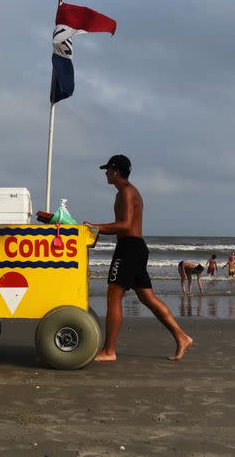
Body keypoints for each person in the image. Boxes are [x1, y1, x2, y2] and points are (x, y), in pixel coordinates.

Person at [85, 154, 193, 362]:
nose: (105, 173)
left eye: (107, 170)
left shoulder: (126, 192)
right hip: (135, 248)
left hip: (129, 248)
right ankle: (182, 337)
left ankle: (109, 351)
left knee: (113, 296)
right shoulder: (129, 191)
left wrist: (95, 227)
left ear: (116, 171)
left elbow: (125, 225)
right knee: (147, 298)